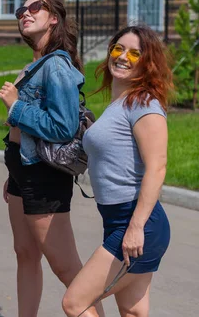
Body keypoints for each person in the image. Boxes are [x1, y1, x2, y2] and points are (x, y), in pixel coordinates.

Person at [0, 0, 103, 317]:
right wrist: (11, 173)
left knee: (65, 267)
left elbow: (62, 126)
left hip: (43, 176)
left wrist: (15, 106)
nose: (24, 13)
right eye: (20, 9)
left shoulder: (56, 65)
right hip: (22, 173)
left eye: (35, 7)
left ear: (53, 18)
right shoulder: (38, 64)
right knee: (25, 254)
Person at [62, 26, 173, 317]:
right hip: (118, 219)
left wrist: (135, 227)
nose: (123, 57)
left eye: (135, 53)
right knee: (133, 311)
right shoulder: (120, 104)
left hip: (137, 222)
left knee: (75, 303)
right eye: (118, 49)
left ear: (147, 63)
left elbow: (157, 167)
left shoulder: (144, 103)